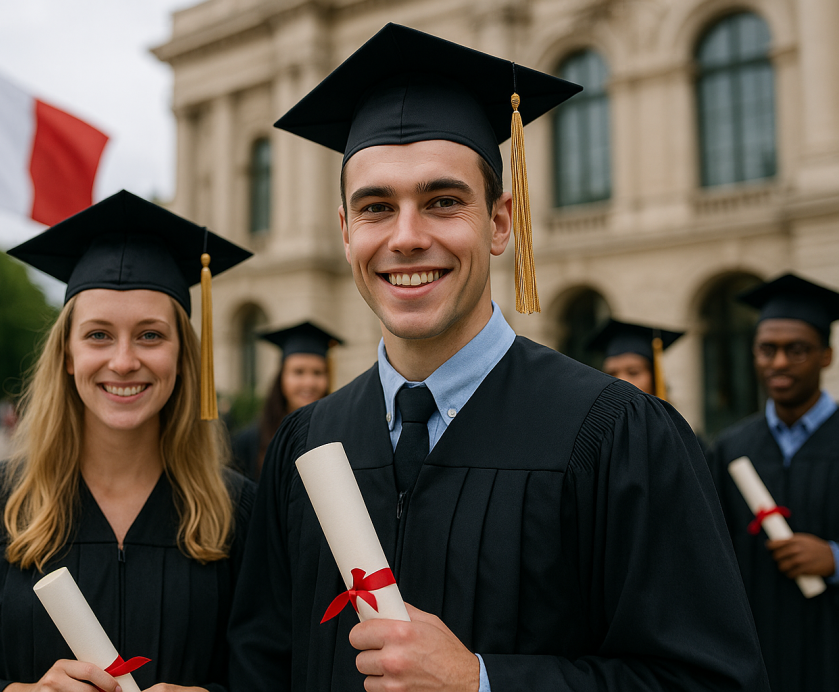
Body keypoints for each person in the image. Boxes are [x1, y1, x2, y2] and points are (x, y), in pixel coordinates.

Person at [228, 23, 768, 692]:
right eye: (375, 208)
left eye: (442, 201)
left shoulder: (618, 436)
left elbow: (709, 682)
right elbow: (259, 669)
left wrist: (481, 681)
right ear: (345, 233)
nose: (406, 236)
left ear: (500, 221)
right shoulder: (306, 445)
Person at [0, 190, 255, 692]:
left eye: (150, 335)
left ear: (185, 357)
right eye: (98, 335)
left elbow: (285, 671)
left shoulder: (237, 514)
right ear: (67, 355)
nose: (123, 361)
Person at [709, 273, 839, 692]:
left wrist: (835, 560)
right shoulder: (729, 449)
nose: (779, 362)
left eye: (796, 350)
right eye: (767, 350)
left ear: (826, 356)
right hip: (758, 656)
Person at [231, 322, 341, 480]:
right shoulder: (249, 442)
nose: (309, 383)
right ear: (282, 377)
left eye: (317, 373)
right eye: (298, 372)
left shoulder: (339, 434)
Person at [586, 319, 683, 397]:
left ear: (654, 379)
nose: (621, 381)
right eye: (611, 374)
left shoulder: (671, 421)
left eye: (633, 372)